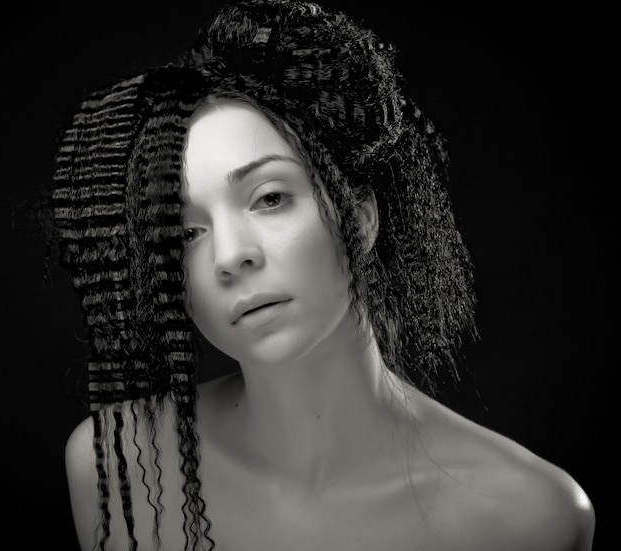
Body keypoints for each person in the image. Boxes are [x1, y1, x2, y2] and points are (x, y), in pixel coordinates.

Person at [44, 1, 595, 549]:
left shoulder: (529, 515)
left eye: (270, 198)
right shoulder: (115, 469)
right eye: (185, 232)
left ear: (359, 215)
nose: (231, 256)